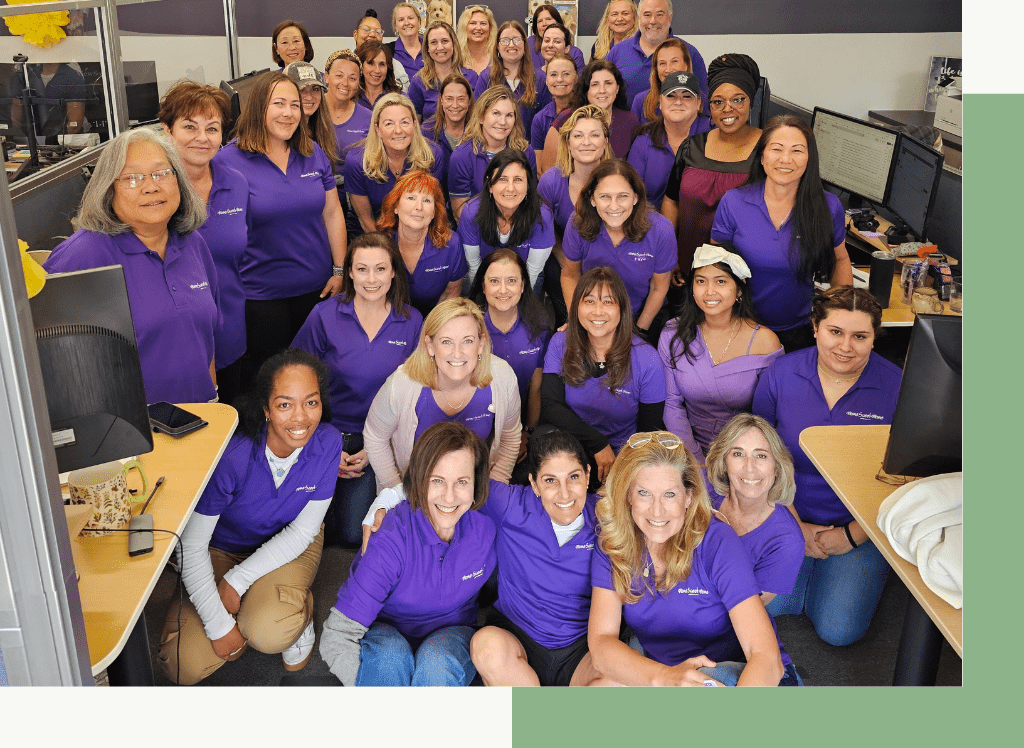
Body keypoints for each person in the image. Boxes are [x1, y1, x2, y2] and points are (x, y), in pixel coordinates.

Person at [364, 430, 608, 686]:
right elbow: (450, 485)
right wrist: (384, 502)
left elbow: (644, 498)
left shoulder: (607, 517)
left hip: (580, 647)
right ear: (534, 484)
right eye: (550, 480)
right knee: (486, 645)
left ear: (588, 475)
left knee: (622, 683)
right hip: (518, 639)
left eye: (574, 477)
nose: (564, 492)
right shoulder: (511, 505)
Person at [157, 349, 343, 685]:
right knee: (181, 663)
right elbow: (191, 544)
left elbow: (303, 532)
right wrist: (217, 624)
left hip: (292, 540)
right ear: (266, 408)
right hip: (220, 548)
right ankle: (258, 606)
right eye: (285, 404)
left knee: (270, 630)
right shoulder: (234, 454)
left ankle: (295, 613)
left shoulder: (328, 443)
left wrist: (236, 581)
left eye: (311, 402)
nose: (301, 418)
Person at [753, 286, 902, 647]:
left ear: (874, 339)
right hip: (785, 510)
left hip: (864, 519)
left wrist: (852, 535)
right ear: (816, 328)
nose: (845, 347)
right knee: (767, 608)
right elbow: (757, 456)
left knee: (838, 631)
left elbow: (903, 478)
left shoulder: (897, 386)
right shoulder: (781, 373)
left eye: (860, 336)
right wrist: (794, 526)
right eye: (835, 332)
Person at [588, 430, 787, 686]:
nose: (657, 510)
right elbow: (602, 642)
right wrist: (663, 677)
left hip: (733, 672)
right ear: (628, 496)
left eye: (670, 494)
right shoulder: (613, 542)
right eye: (644, 493)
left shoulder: (717, 542)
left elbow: (766, 658)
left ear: (689, 497)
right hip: (665, 671)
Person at [44, 128, 218, 405]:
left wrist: (213, 398)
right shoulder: (80, 259)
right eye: (133, 178)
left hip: (201, 419)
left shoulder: (192, 242)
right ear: (108, 189)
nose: (151, 186)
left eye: (161, 173)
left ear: (179, 181)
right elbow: (59, 371)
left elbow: (204, 336)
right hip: (132, 434)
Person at [319, 422, 497, 686]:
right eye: (437, 481)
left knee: (436, 664)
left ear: (476, 484)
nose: (449, 497)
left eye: (461, 482)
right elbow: (337, 637)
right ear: (418, 482)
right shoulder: (390, 538)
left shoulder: (487, 530)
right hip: (387, 632)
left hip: (452, 635)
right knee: (390, 660)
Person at [214, 71, 346, 388]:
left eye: (294, 105)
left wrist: (340, 269)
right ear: (259, 107)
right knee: (267, 382)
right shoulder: (227, 161)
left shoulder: (312, 153)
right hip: (259, 297)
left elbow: (332, 212)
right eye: (279, 103)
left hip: (317, 290)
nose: (288, 113)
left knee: (312, 375)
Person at [291, 233, 422, 547]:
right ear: (349, 272)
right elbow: (295, 380)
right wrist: (319, 443)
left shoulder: (412, 321)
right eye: (362, 269)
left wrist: (378, 449)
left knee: (351, 533)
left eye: (380, 269)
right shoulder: (324, 315)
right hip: (325, 431)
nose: (371, 279)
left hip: (378, 436)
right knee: (298, 522)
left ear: (393, 272)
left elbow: (418, 396)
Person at [711, 115, 853, 351]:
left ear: (809, 158)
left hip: (800, 331)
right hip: (740, 328)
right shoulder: (734, 202)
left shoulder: (827, 207)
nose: (786, 159)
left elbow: (840, 258)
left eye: (797, 150)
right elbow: (716, 267)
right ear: (762, 155)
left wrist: (838, 315)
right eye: (777, 149)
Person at [363, 298, 522, 491]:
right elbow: (375, 437)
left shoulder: (502, 377)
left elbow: (510, 436)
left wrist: (496, 486)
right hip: (413, 491)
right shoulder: (402, 384)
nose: (457, 353)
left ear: (481, 344)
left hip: (474, 490)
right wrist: (396, 492)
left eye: (468, 341)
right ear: (430, 345)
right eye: (446, 342)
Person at [157, 80, 248, 406]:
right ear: (167, 130)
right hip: (175, 342)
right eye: (189, 126)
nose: (202, 137)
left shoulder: (235, 183)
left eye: (212, 128)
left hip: (230, 331)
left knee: (231, 427)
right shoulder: (154, 191)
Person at [542, 267, 666, 491]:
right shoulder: (561, 343)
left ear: (622, 309)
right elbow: (550, 406)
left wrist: (622, 472)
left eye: (608, 302)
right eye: (589, 301)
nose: (597, 311)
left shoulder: (647, 358)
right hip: (573, 448)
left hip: (624, 453)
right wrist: (598, 443)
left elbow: (649, 430)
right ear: (576, 307)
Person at [658, 245, 782, 463]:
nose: (709, 291)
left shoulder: (765, 342)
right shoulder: (673, 334)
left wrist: (738, 458)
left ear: (740, 289)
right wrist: (695, 460)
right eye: (701, 281)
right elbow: (672, 405)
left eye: (721, 281)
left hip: (746, 452)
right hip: (687, 449)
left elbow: (769, 416)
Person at [662, 53, 762, 280]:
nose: (728, 109)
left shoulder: (768, 151)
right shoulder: (692, 147)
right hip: (689, 269)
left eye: (738, 100)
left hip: (743, 275)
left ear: (751, 102)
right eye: (718, 102)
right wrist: (672, 255)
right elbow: (671, 200)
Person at [561, 159, 675, 337]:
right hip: (593, 314)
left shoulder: (661, 231)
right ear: (592, 199)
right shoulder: (577, 223)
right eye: (605, 196)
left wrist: (637, 332)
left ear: (636, 197)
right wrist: (576, 319)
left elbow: (658, 288)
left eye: (623, 196)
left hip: (638, 316)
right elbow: (569, 275)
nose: (614, 206)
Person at [705, 413, 804, 609]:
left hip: (718, 623)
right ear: (724, 463)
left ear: (776, 467)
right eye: (738, 454)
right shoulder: (702, 489)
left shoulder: (788, 542)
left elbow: (746, 612)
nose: (750, 467)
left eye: (761, 455)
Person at [469, 249, 551, 461]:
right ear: (483, 285)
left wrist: (528, 432)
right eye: (494, 281)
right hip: (474, 426)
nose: (503, 290)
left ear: (523, 285)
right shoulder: (468, 326)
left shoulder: (538, 323)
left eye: (512, 281)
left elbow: (536, 385)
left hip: (520, 422)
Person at [537, 106, 613, 327]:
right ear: (568, 143)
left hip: (607, 258)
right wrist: (568, 262)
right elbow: (545, 229)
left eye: (594, 135)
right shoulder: (551, 182)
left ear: (605, 141)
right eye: (578, 136)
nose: (586, 142)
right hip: (563, 256)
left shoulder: (619, 179)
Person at [343, 92, 445, 237]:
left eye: (404, 122)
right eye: (389, 123)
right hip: (372, 235)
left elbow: (431, 211)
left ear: (415, 125)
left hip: (418, 234)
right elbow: (365, 220)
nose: (398, 130)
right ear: (378, 129)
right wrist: (392, 253)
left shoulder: (432, 155)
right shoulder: (357, 161)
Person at [457, 149, 554, 290]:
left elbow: (532, 271)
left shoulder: (542, 216)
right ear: (490, 185)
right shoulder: (472, 212)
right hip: (483, 274)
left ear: (528, 186)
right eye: (502, 179)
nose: (510, 188)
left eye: (518, 179)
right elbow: (474, 267)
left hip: (525, 277)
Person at [376, 170, 466, 316]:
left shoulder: (452, 244)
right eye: (411, 198)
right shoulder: (378, 244)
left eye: (426, 200)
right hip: (388, 318)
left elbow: (451, 294)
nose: (419, 207)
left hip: (434, 317)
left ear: (434, 212)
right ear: (396, 206)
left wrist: (430, 329)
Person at [447, 85, 537, 219]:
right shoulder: (462, 156)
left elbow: (529, 200)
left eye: (509, 115)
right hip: (477, 229)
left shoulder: (526, 152)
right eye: (496, 113)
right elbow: (460, 213)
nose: (502, 122)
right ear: (481, 117)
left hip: (516, 226)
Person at [628, 71, 711, 209]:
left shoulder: (713, 134)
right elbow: (631, 194)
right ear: (660, 102)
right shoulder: (643, 140)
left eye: (686, 96)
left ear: (698, 103)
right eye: (671, 96)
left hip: (702, 224)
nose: (678, 102)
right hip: (651, 223)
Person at [604, 0, 708, 105]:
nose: (653, 21)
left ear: (670, 18)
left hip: (676, 121)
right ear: (639, 18)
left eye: (659, 14)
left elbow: (703, 100)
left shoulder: (690, 53)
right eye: (647, 15)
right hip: (627, 121)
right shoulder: (617, 52)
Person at [541, 60, 639, 166]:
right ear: (586, 90)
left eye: (608, 83)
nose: (602, 90)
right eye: (595, 85)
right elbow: (547, 169)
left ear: (617, 88)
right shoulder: (565, 120)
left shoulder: (629, 121)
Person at [474, 21, 543, 135]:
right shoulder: (486, 78)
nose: (511, 45)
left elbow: (545, 123)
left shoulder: (540, 79)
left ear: (525, 45)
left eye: (516, 40)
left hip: (528, 150)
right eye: (505, 40)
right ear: (497, 46)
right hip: (494, 149)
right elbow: (477, 117)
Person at [323, 49, 373, 207]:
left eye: (352, 78)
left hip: (354, 195)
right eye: (339, 75)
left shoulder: (368, 118)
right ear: (326, 76)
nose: (345, 83)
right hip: (316, 191)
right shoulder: (311, 110)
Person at [409, 21, 479, 124]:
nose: (440, 47)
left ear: (453, 44)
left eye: (445, 41)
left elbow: (478, 118)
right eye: (433, 42)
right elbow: (413, 124)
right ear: (427, 48)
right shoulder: (418, 81)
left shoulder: (472, 78)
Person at [9, 62, 87, 143]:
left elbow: (74, 125)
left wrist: (56, 147)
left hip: (62, 145)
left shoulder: (73, 76)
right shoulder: (26, 76)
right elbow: (16, 119)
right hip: (30, 145)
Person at [284, 61, 339, 172]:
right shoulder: (281, 137)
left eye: (315, 89)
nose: (309, 97)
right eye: (302, 90)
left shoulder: (322, 131)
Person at [629, 37, 692, 123]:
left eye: (674, 61)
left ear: (686, 65)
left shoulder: (701, 100)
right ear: (656, 68)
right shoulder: (641, 101)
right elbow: (633, 135)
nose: (668, 69)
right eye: (662, 63)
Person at [422, 73, 474, 170]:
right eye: (449, 99)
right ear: (441, 100)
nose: (455, 105)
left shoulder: (479, 132)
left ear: (469, 101)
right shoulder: (426, 131)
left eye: (461, 99)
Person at [530, 52, 577, 159]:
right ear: (546, 80)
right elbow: (540, 166)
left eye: (566, 74)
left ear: (576, 78)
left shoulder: (586, 111)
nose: (559, 79)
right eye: (553, 74)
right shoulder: (539, 119)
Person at [353, 10, 409, 92]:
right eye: (366, 29)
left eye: (378, 32)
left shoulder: (395, 66)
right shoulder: (346, 62)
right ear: (355, 34)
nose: (372, 35)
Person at [527, 4, 585, 72]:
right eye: (540, 21)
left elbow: (579, 80)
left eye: (548, 19)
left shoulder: (575, 53)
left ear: (558, 22)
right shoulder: (529, 44)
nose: (544, 23)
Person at [356, 40, 403, 112]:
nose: (377, 70)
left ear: (388, 67)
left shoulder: (400, 98)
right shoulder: (350, 98)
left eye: (382, 64)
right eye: (371, 63)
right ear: (361, 65)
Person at [456, 5, 497, 76]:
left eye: (483, 23)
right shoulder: (456, 58)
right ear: (464, 27)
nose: (478, 27)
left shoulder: (498, 56)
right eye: (472, 23)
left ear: (490, 28)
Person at [388, 3, 424, 81]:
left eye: (410, 18)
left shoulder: (431, 48)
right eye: (401, 20)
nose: (407, 23)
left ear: (419, 22)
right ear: (396, 26)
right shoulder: (387, 51)